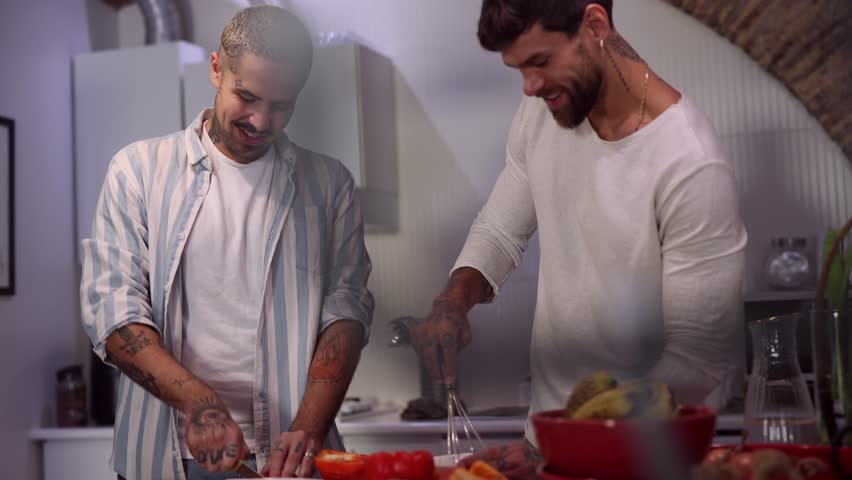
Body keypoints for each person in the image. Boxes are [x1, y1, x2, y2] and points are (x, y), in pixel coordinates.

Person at [410, 0, 747, 477]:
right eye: (519, 69)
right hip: (550, 447)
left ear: (595, 24)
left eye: (540, 61)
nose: (529, 86)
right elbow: (499, 231)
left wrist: (569, 445)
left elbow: (698, 358)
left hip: (646, 458)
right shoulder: (543, 111)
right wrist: (451, 302)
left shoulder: (689, 162)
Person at [80, 6, 374, 480]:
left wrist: (310, 426)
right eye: (247, 96)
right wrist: (200, 402)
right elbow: (113, 313)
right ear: (216, 69)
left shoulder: (329, 185)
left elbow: (347, 311)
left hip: (289, 460)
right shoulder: (137, 171)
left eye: (281, 105)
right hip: (162, 459)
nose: (260, 120)